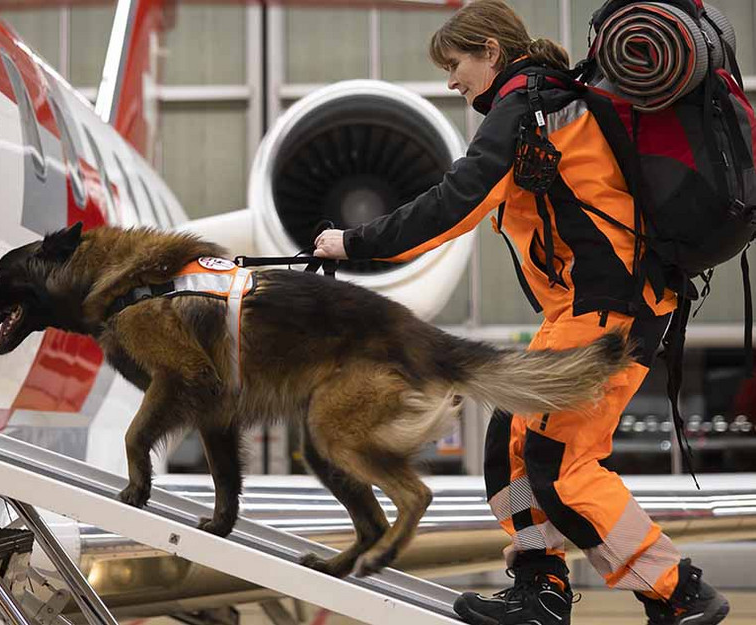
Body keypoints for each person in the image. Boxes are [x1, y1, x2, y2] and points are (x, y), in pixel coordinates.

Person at [312, 2, 730, 624]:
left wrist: (356, 242)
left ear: (489, 50)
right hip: (581, 310)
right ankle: (540, 588)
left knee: (561, 464)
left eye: (455, 65)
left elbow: (457, 202)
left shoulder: (525, 105)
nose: (451, 82)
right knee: (509, 444)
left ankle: (678, 591)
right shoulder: (539, 104)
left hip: (606, 310)